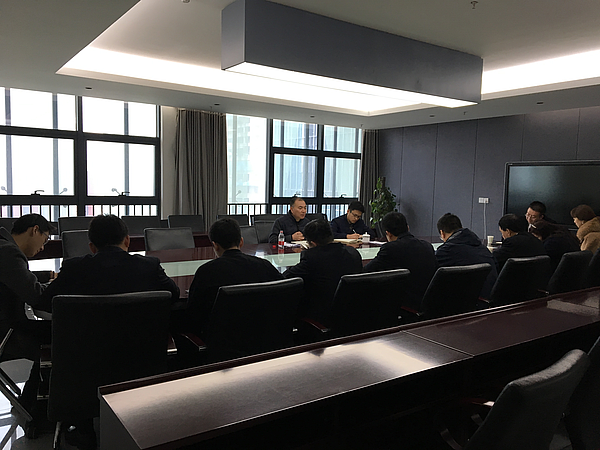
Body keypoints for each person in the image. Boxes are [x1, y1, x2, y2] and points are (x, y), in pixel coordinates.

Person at [42, 214, 179, 303]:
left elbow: (46, 300)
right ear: (127, 241)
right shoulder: (149, 266)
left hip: (86, 338)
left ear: (92, 247)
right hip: (141, 338)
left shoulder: (73, 268)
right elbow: (174, 294)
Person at [0, 214, 55, 433]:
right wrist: (61, 287)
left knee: (53, 334)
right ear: (35, 230)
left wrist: (48, 275)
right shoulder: (9, 252)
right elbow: (36, 296)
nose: (43, 247)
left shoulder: (4, 247)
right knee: (63, 336)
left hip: (6, 327)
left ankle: (29, 401)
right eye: (45, 240)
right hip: (6, 334)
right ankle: (41, 412)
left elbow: (15, 277)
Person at [188, 218, 283, 336]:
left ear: (215, 246)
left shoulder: (205, 272)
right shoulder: (264, 266)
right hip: (264, 336)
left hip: (221, 340)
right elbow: (283, 291)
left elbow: (193, 314)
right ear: (241, 242)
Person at [283, 219, 362, 326]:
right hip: (352, 316)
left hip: (321, 320)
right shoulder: (353, 253)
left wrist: (307, 253)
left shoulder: (312, 258)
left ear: (312, 243)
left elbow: (286, 278)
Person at [364, 212, 437, 310]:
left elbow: (367, 271)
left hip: (404, 306)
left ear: (388, 233)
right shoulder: (427, 246)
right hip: (428, 304)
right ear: (408, 228)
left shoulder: (390, 249)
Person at [435, 213, 497, 299]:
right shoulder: (482, 248)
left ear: (442, 233)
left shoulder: (445, 252)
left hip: (469, 302)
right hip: (491, 299)